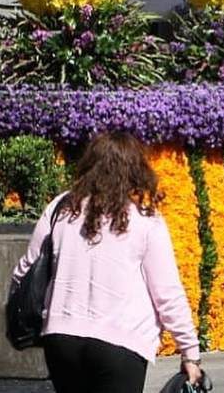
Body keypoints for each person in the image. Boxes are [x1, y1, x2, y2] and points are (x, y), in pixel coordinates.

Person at [12, 133, 203, 393]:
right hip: (120, 341)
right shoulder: (144, 220)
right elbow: (167, 294)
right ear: (136, 170)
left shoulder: (60, 208)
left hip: (62, 338)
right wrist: (190, 353)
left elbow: (25, 269)